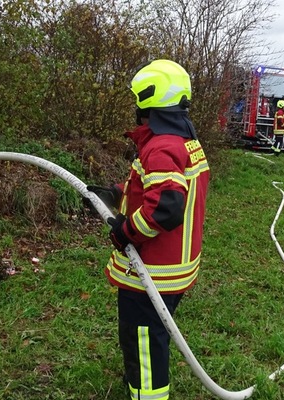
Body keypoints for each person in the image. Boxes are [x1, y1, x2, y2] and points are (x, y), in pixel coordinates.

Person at [88, 59, 210, 399]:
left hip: (152, 272)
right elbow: (155, 187)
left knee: (142, 341)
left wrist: (125, 232)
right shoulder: (184, 143)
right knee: (153, 336)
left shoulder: (161, 147)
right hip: (175, 269)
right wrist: (113, 193)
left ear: (148, 101)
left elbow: (166, 207)